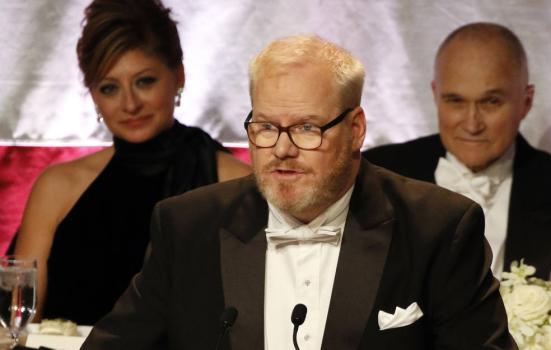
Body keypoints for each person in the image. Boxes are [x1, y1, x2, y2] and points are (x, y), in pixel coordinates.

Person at [81, 34, 515, 349]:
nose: (282, 150)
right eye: (266, 128)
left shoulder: (438, 228)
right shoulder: (188, 225)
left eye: (307, 128)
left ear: (356, 129)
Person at [13, 0, 251, 325]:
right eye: (110, 88)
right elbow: (18, 327)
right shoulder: (57, 187)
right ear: (94, 95)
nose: (130, 104)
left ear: (178, 76)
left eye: (144, 81)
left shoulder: (235, 185)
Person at [363, 22, 551, 279]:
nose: (472, 124)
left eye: (491, 102)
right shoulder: (375, 175)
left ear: (526, 101)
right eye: (455, 101)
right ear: (435, 95)